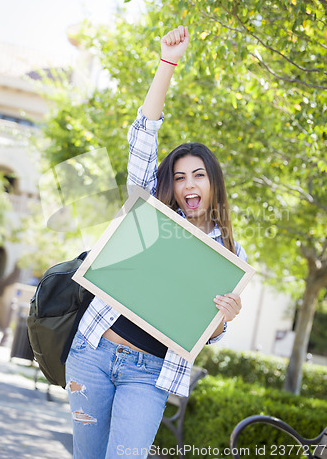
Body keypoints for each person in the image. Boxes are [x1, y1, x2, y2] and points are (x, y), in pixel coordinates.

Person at [65, 25, 247, 459]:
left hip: (150, 374)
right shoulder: (149, 210)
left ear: (213, 183)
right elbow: (143, 138)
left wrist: (226, 318)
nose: (188, 184)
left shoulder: (231, 254)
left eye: (198, 175)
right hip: (93, 351)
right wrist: (167, 63)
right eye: (180, 176)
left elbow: (206, 332)